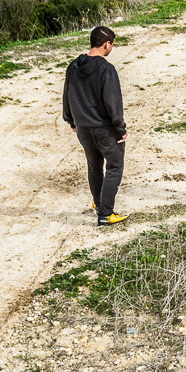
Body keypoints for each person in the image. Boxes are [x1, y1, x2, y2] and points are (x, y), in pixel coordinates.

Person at [62, 25, 128, 226]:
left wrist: (70, 120)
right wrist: (120, 128)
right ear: (107, 43)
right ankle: (105, 214)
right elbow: (112, 102)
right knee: (115, 166)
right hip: (104, 128)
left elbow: (67, 95)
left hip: (82, 127)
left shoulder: (73, 66)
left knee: (95, 165)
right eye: (112, 45)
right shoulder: (106, 69)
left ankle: (99, 204)